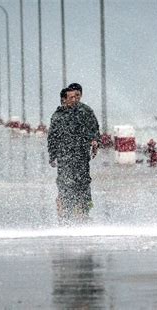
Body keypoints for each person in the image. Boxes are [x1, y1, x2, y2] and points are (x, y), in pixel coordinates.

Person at [48, 85, 100, 221]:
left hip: (81, 156)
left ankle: (84, 212)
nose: (75, 99)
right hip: (64, 157)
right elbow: (52, 137)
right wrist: (52, 155)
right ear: (64, 99)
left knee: (83, 183)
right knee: (65, 184)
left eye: (76, 96)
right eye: (71, 97)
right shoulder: (57, 116)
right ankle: (66, 212)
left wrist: (95, 141)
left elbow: (94, 127)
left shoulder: (84, 111)